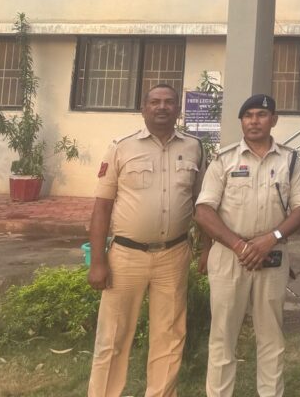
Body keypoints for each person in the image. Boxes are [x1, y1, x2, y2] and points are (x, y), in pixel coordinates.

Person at [86, 84, 206, 397]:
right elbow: (101, 208)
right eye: (155, 102)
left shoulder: (194, 147)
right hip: (127, 256)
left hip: (174, 255)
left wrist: (206, 249)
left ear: (178, 109)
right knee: (113, 336)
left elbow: (202, 205)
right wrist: (98, 261)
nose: (162, 107)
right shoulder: (121, 147)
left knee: (170, 335)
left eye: (169, 102)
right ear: (144, 108)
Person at [195, 94, 300, 397]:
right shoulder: (224, 159)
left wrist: (270, 239)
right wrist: (239, 246)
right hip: (229, 255)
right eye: (248, 116)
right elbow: (204, 210)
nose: (254, 121)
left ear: (274, 120)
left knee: (271, 337)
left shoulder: (289, 160)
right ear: (241, 121)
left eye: (261, 114)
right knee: (223, 336)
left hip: (272, 256)